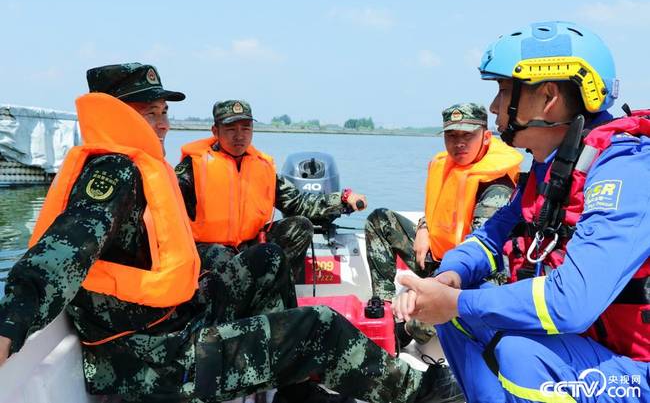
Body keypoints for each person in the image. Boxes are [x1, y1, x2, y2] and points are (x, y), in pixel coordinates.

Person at [0, 63, 457, 403]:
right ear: (118, 115)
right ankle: (426, 391)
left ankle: (290, 383)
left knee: (268, 259)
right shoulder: (115, 171)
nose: (162, 124)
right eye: (150, 113)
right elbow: (62, 251)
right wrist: (7, 327)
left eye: (163, 112)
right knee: (317, 326)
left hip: (174, 316)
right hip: (147, 357)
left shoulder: (143, 167)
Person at [393, 21, 650, 403]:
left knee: (518, 353)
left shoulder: (625, 170)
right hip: (585, 346)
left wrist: (457, 302)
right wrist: (449, 277)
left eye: (504, 90)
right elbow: (490, 237)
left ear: (548, 96)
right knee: (451, 319)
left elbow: (573, 303)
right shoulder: (554, 167)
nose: (495, 107)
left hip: (635, 368)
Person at [365, 103, 521, 345]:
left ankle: (403, 332)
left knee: (428, 313)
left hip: (465, 276)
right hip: (433, 256)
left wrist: (434, 286)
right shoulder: (446, 165)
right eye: (451, 135)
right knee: (380, 220)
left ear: (486, 137)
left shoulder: (496, 186)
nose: (459, 143)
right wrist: (423, 227)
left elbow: (480, 254)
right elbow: (439, 209)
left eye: (467, 135)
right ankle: (385, 307)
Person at [175, 99, 367, 281]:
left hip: (249, 245)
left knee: (300, 227)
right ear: (215, 131)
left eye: (246, 128)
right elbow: (168, 213)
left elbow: (298, 203)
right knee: (221, 255)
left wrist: (342, 199)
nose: (239, 136)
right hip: (208, 249)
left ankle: (277, 290)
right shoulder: (193, 167)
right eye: (231, 129)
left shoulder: (262, 167)